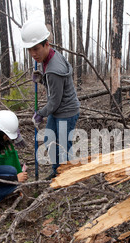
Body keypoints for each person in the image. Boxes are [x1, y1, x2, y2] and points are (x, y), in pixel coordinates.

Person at [21, 20, 80, 180]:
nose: (33, 54)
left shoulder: (53, 68)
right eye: (30, 50)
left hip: (66, 112)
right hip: (58, 109)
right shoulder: (49, 57)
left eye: (36, 49)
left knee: (62, 146)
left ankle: (67, 175)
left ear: (46, 44)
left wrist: (40, 114)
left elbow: (54, 101)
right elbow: (54, 89)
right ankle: (57, 170)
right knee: (49, 140)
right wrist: (41, 79)